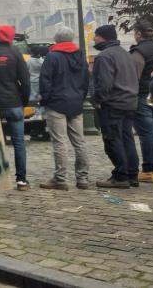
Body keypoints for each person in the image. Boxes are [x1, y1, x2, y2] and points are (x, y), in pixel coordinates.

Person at [37, 28, 90, 190]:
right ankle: (82, 178)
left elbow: (45, 81)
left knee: (59, 142)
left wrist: (46, 99)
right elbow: (86, 79)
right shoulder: (81, 56)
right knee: (79, 142)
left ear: (57, 39)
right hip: (76, 103)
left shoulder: (52, 56)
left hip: (56, 103)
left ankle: (60, 179)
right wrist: (81, 97)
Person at [92, 25, 139, 188]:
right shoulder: (126, 54)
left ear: (103, 37)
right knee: (127, 138)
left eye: (96, 36)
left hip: (113, 103)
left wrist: (98, 100)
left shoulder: (104, 56)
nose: (93, 39)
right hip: (130, 102)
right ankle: (132, 174)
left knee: (113, 139)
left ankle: (120, 176)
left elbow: (104, 83)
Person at [0, 24, 30, 190]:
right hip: (13, 102)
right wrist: (23, 101)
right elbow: (25, 82)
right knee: (19, 142)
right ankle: (21, 180)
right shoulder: (15, 54)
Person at [129, 20, 153, 183]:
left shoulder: (139, 52)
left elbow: (134, 77)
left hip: (143, 94)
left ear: (139, 33)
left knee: (146, 133)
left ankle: (148, 169)